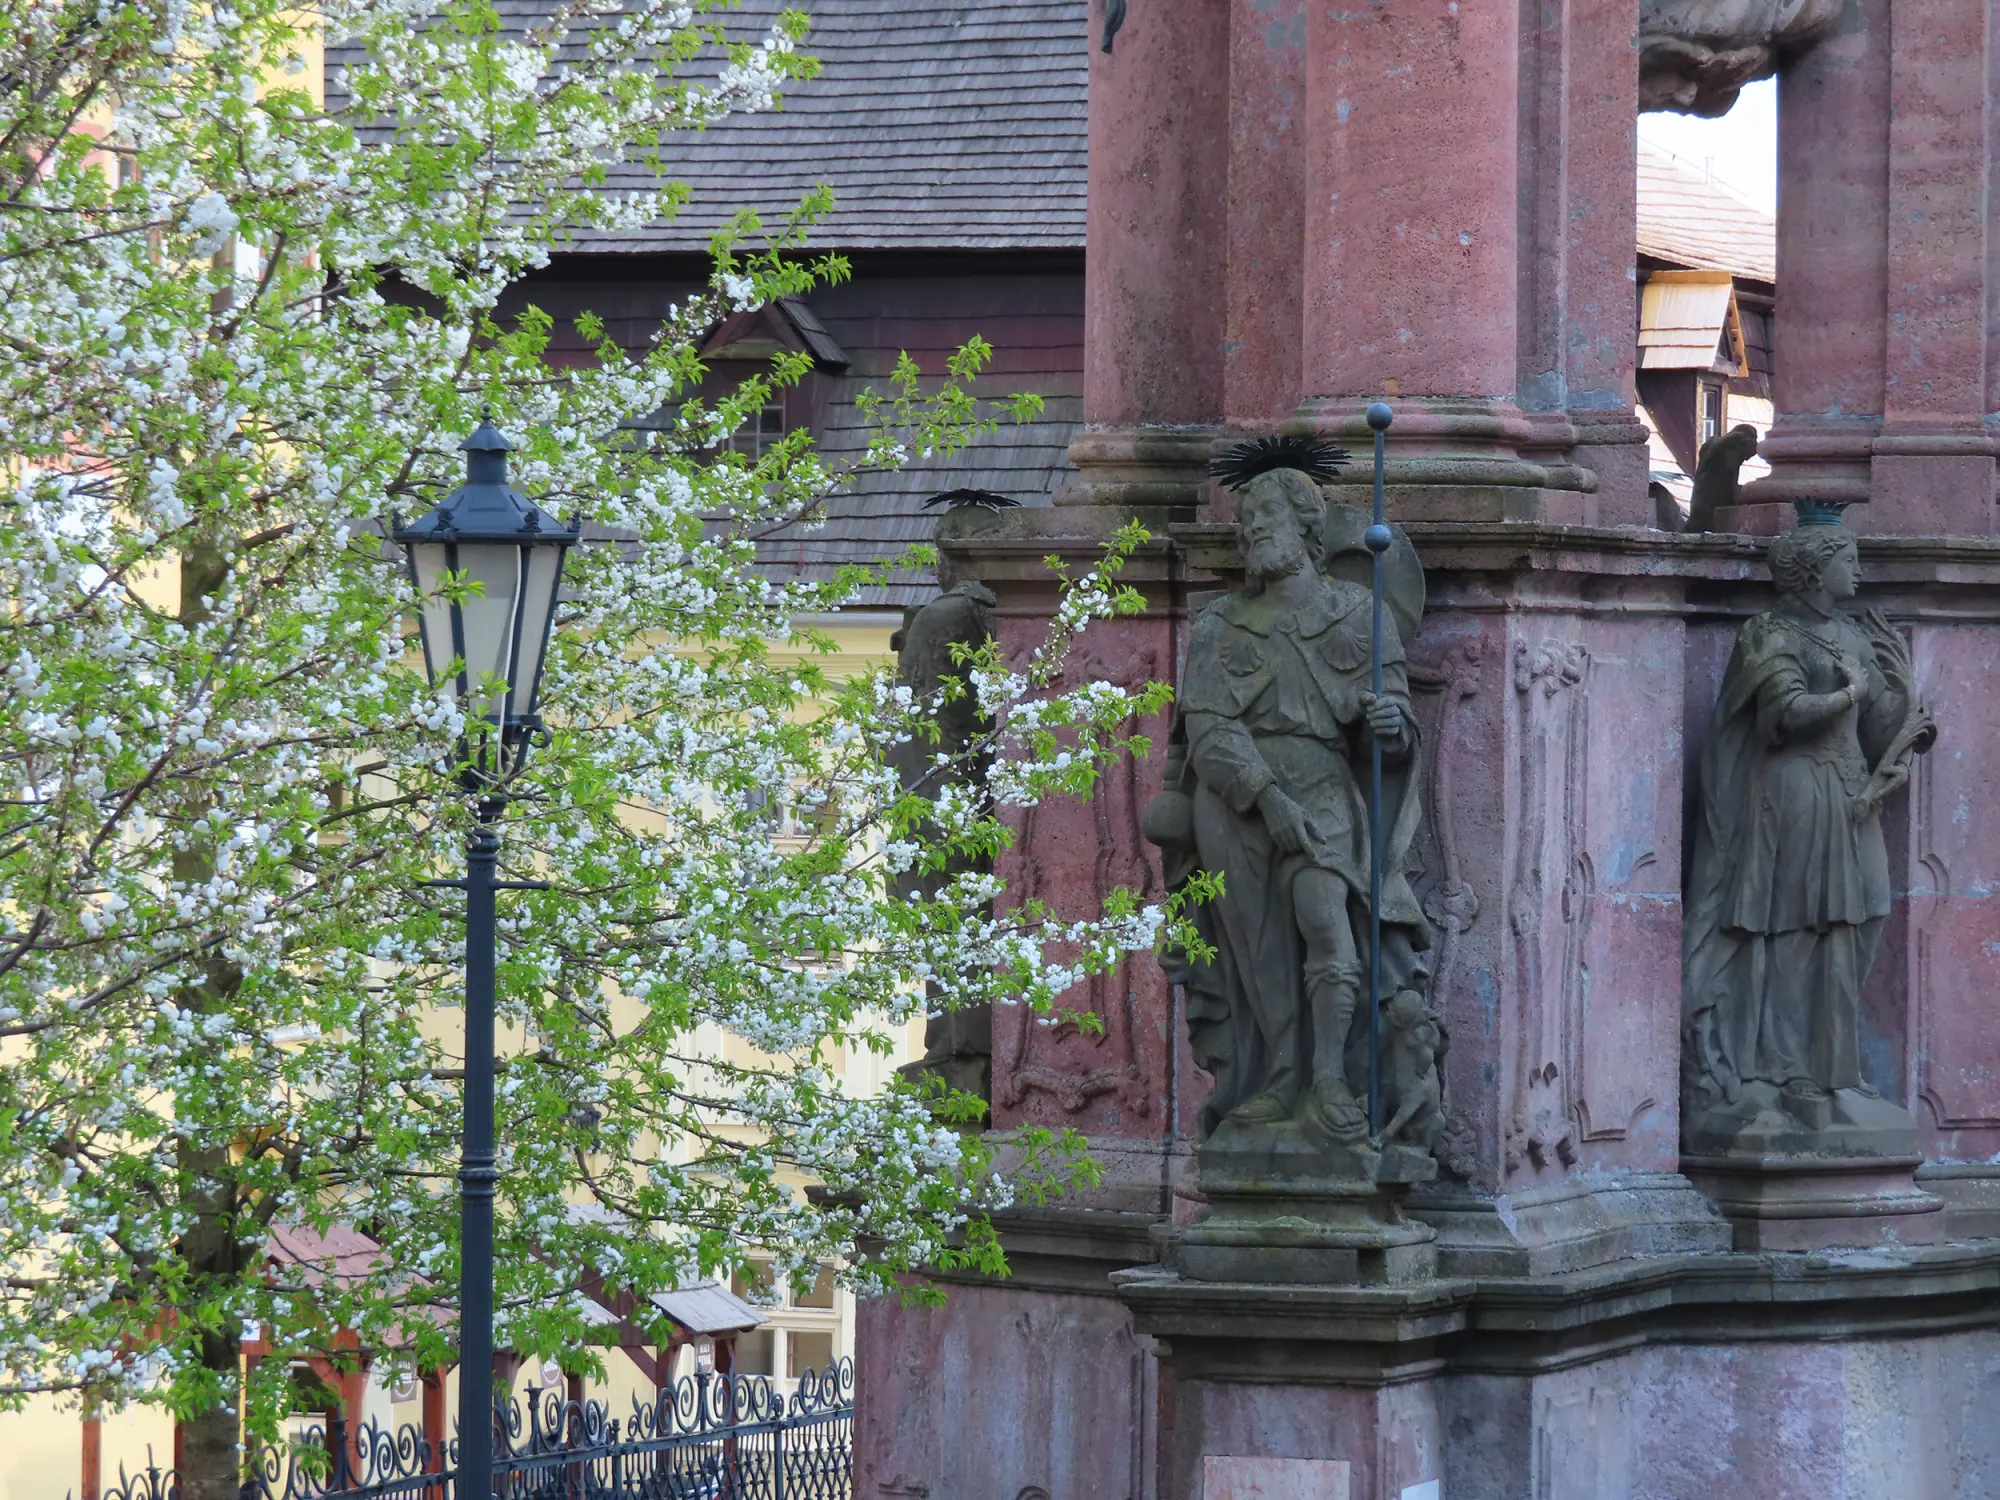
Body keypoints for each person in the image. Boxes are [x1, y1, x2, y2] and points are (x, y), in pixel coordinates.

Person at [1151, 464, 1430, 1142]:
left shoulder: (1360, 613)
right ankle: (1280, 1077)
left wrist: (1389, 726)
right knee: (1259, 952)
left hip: (1323, 784)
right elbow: (1207, 728)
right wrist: (1266, 797)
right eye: (1246, 524)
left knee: (1327, 919)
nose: (1253, 533)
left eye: (1266, 519)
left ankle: (1329, 1076)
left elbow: (1395, 724)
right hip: (1234, 801)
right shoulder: (1220, 622)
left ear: (1307, 527)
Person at [1682, 524, 1935, 1147]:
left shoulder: (1852, 633)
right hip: (1794, 792)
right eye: (1849, 560)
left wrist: (1902, 706)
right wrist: (1851, 691)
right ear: (1815, 570)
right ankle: (1786, 1070)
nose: (1859, 572)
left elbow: (1873, 726)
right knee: (1796, 928)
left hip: (1850, 790)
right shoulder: (1770, 632)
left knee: (1864, 913)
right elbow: (1784, 714)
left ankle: (1836, 1068)